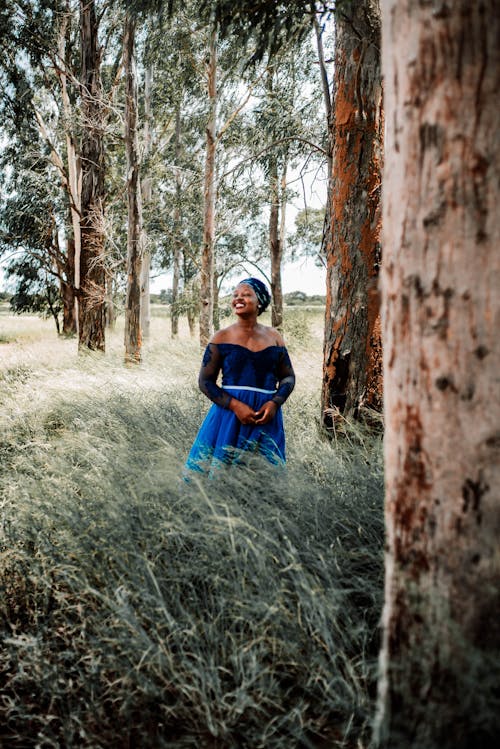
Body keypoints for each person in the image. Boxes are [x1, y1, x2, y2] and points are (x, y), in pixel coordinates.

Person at [185, 278, 295, 472]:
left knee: (264, 477)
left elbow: (288, 377)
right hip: (229, 415)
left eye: (246, 294)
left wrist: (274, 403)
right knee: (222, 472)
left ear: (259, 301)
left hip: (266, 416)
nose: (238, 298)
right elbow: (205, 381)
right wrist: (235, 406)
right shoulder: (221, 337)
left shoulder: (274, 337)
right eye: (235, 295)